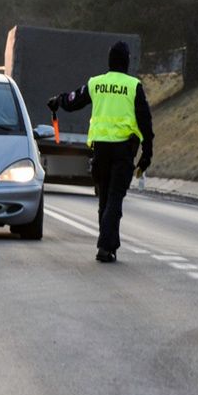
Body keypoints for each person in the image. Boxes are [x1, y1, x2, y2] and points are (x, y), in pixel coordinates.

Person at [47, 41, 154, 263]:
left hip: (100, 151)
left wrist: (57, 101)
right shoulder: (134, 86)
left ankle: (108, 245)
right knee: (115, 200)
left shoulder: (96, 84)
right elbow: (145, 122)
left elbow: (73, 100)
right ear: (126, 62)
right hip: (123, 151)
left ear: (109, 61)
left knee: (104, 200)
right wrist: (147, 153)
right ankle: (106, 246)